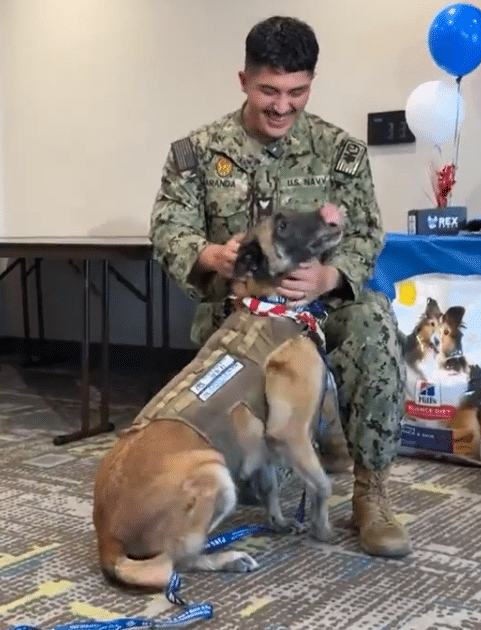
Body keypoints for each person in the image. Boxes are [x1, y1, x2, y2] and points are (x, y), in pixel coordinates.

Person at [149, 16, 411, 558]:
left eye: (297, 91)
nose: (282, 106)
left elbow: (366, 235)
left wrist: (329, 277)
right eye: (269, 90)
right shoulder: (197, 153)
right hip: (237, 318)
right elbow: (168, 228)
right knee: (242, 486)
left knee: (375, 320)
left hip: (314, 308)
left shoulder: (339, 152)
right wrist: (208, 254)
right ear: (243, 80)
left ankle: (371, 491)